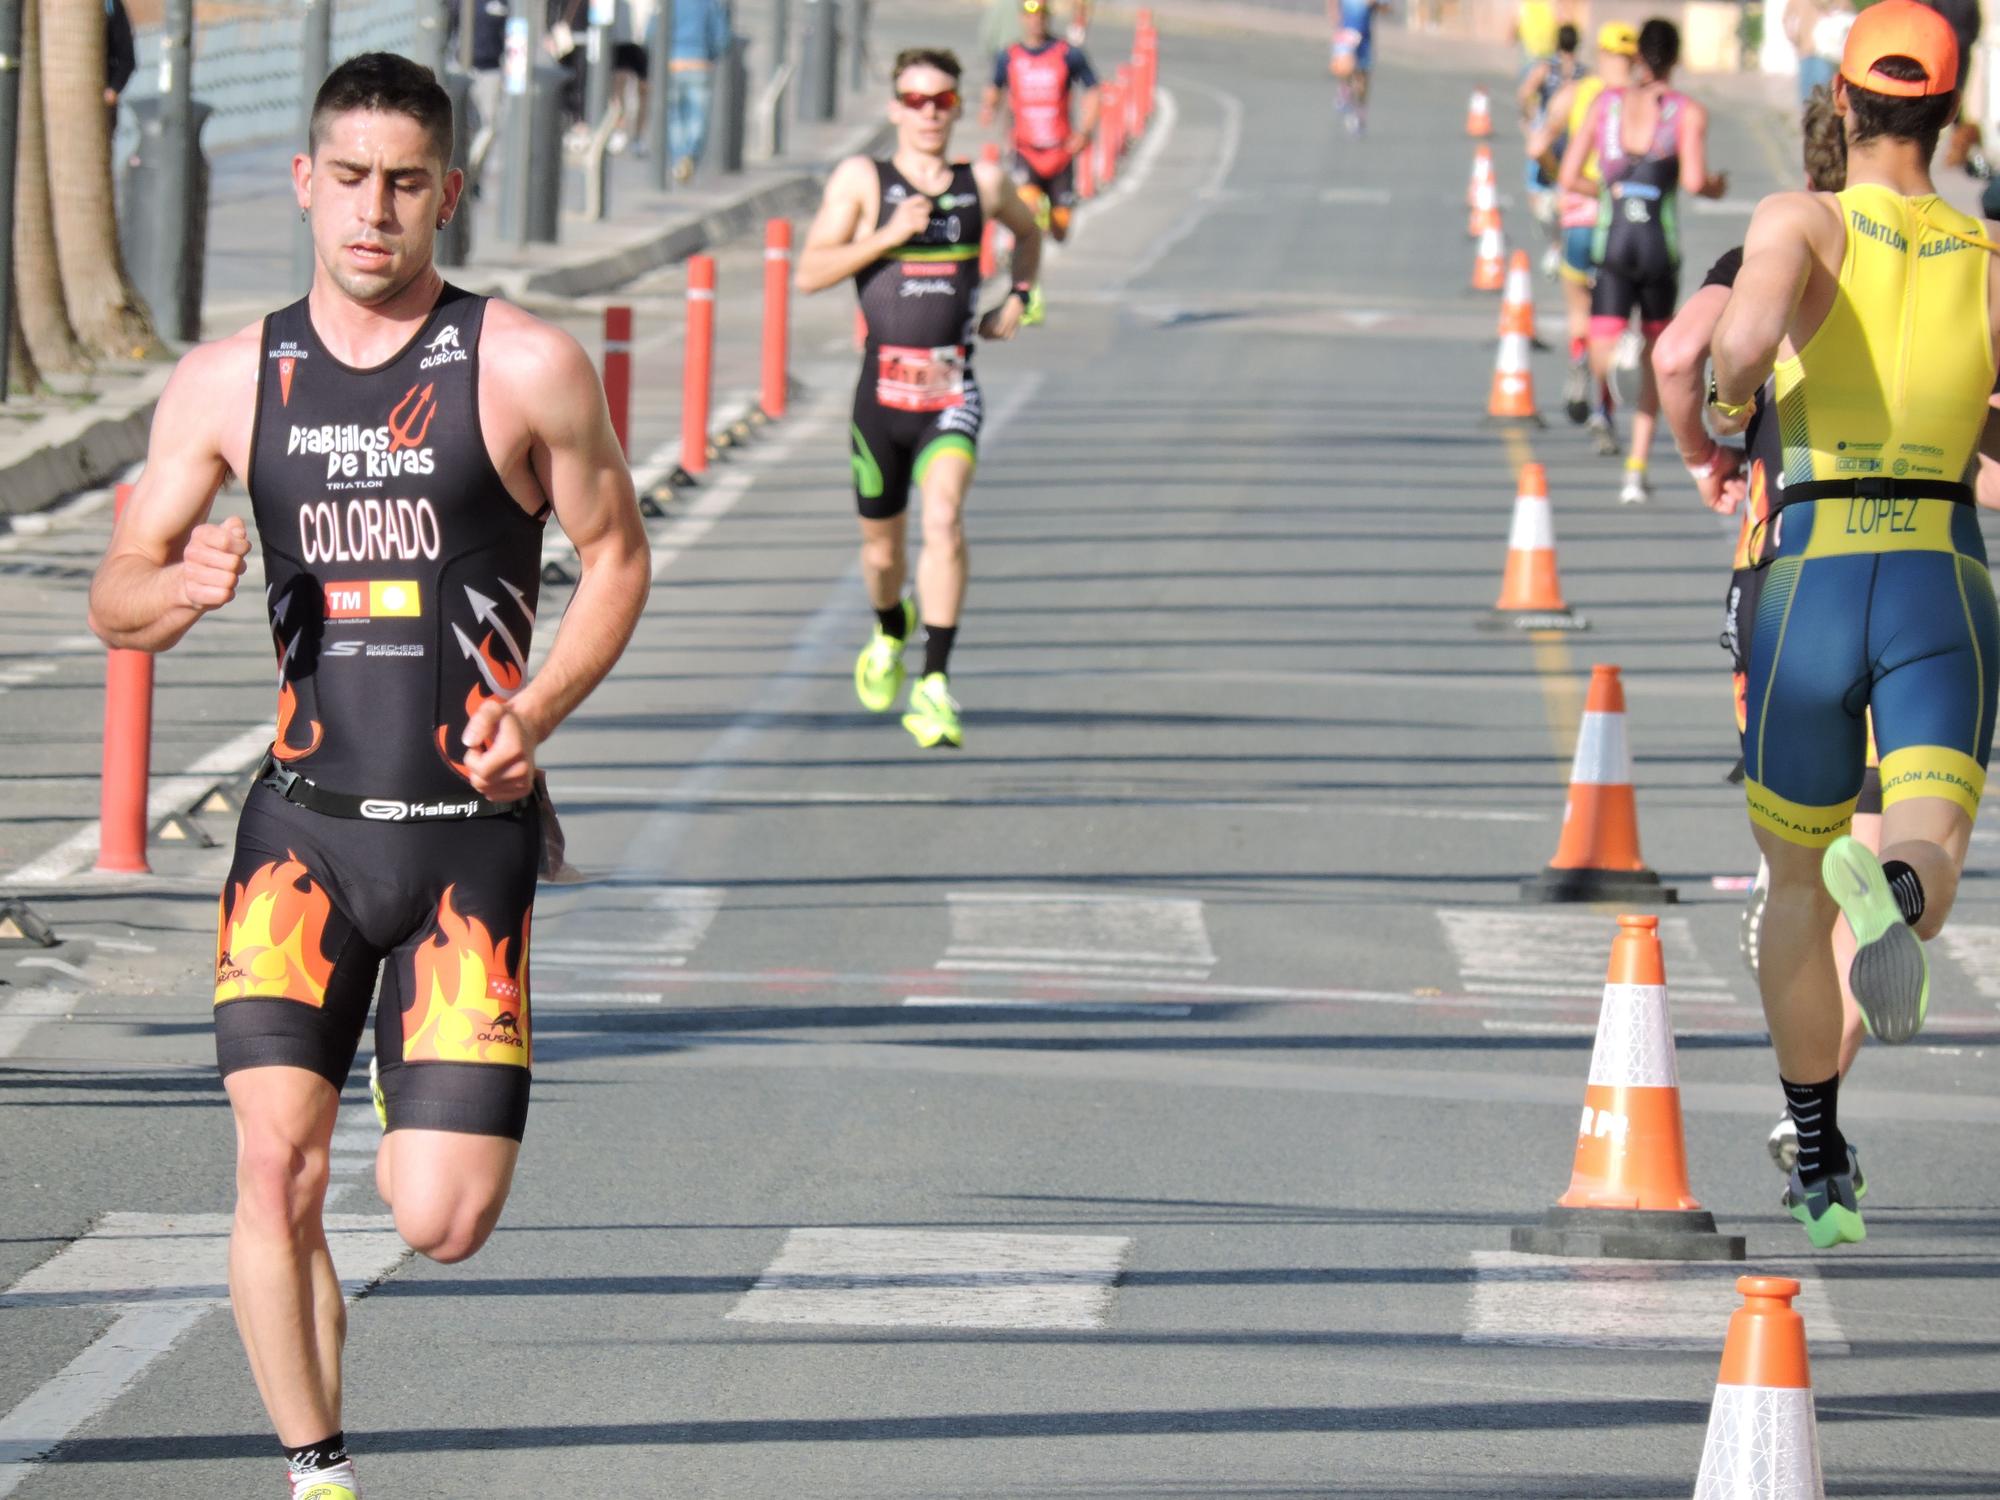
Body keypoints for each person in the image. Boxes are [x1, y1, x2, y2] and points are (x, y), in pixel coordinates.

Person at [85, 54, 650, 1497]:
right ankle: (316, 1470)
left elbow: (617, 558)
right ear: (305, 183)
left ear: (448, 192)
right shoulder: (230, 380)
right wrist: (181, 584)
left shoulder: (522, 365)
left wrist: (539, 708)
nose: (374, 210)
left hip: (467, 848)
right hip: (300, 839)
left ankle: (415, 1083)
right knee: (272, 1165)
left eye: (406, 183)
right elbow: (117, 597)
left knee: (440, 1219)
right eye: (350, 179)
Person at [1708, 0, 2000, 1248]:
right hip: (1939, 568)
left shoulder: (1798, 220)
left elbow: (1738, 340)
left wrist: (1732, 409)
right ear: (1950, 110)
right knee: (1928, 838)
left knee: (1786, 885)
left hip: (1810, 575)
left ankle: (1814, 1150)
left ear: (1839, 102)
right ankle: (1893, 886)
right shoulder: (1988, 255)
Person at [1651, 85, 1873, 1195]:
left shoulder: (1766, 252)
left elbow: (1670, 357)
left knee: (1800, 866)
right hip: (1917, 575)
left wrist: (1704, 451)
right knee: (1877, 855)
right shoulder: (1934, 262)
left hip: (1782, 573)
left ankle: (1809, 1112)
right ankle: (1817, 1113)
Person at [797, 48, 1042, 750]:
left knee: (944, 521)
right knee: (881, 560)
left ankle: (935, 684)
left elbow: (1029, 235)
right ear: (895, 106)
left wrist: (1018, 298)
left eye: (942, 101)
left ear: (958, 107)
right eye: (916, 99)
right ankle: (888, 628)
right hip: (880, 402)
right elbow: (810, 271)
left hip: (950, 395)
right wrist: (889, 235)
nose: (929, 113)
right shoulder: (863, 180)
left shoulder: (982, 184)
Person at [1559, 17, 1726, 503]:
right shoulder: (1686, 112)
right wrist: (1718, 185)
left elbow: (1570, 175)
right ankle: (1635, 469)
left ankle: (1615, 371)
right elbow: (1695, 181)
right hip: (1658, 244)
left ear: (1637, 59)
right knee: (1657, 359)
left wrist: (1613, 192)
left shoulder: (1604, 105)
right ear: (1674, 59)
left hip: (1612, 241)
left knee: (1602, 347)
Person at [1529, 22, 1633, 427]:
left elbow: (1537, 146)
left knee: (1579, 308)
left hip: (1578, 214)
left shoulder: (1575, 93)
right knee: (1613, 318)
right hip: (1622, 219)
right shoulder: (1641, 101)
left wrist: (1561, 177)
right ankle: (1604, 410)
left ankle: (1577, 364)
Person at [979, 0, 1097, 324]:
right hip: (1026, 152)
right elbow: (994, 87)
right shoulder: (1010, 55)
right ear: (1021, 19)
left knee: (1059, 229)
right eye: (1029, 17)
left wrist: (1085, 131)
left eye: (1040, 17)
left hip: (1060, 154)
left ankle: (1040, 234)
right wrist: (988, 106)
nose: (1035, 23)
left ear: (1047, 19)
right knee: (1029, 218)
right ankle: (1026, 290)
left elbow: (1093, 91)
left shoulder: (1067, 53)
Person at [1519, 24, 1584, 273]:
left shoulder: (1545, 69)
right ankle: (1559, 244)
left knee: (1540, 195)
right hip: (1573, 141)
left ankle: (1557, 245)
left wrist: (1530, 122)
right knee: (1561, 194)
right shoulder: (1584, 75)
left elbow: (1524, 94)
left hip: (1549, 139)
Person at [667, 0, 731, 183]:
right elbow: (721, 37)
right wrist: (711, 55)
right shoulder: (708, 3)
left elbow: (653, 32)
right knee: (697, 116)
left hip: (674, 63)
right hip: (699, 63)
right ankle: (689, 154)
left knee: (674, 117)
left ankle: (679, 158)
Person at [1329, 0, 1392, 136]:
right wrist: (1335, 15)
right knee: (1344, 67)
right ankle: (1345, 91)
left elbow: (1387, 9)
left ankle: (1360, 115)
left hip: (1364, 38)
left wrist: (1375, 4)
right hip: (1346, 32)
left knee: (1362, 76)